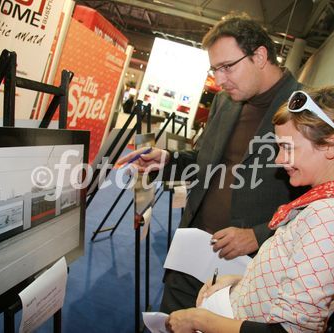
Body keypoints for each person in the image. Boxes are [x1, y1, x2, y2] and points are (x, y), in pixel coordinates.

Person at [164, 86, 334, 332]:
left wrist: (198, 320)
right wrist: (239, 283)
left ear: (330, 146)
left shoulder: (333, 217)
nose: (278, 159)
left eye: (287, 147)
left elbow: (289, 330)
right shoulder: (326, 204)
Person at [117, 13, 306, 313]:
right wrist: (168, 159)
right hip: (192, 248)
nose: (219, 80)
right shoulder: (225, 101)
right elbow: (204, 160)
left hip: (246, 269)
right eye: (215, 69)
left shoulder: (304, 110)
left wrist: (258, 235)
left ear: (260, 56)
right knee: (171, 320)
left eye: (227, 67)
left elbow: (316, 203)